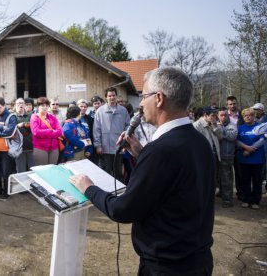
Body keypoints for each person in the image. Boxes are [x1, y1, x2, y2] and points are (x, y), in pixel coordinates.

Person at [70, 67, 215, 274]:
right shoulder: (198, 141)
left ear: (158, 98)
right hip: (196, 259)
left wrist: (89, 188)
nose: (140, 103)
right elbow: (175, 180)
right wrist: (142, 153)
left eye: (143, 95)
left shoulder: (161, 151)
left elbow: (123, 209)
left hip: (166, 266)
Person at [93, 87, 130, 182]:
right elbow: (96, 129)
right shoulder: (100, 111)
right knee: (106, 172)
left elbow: (128, 127)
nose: (112, 97)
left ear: (116, 96)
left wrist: (125, 143)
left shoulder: (123, 111)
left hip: (119, 147)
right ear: (106, 97)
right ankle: (107, 193)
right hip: (105, 148)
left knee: (118, 173)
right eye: (109, 96)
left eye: (113, 95)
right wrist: (98, 145)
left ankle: (120, 193)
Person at [236, 108, 265, 210]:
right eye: (245, 115)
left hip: (257, 159)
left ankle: (255, 201)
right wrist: (245, 147)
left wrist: (250, 150)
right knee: (245, 180)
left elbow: (262, 140)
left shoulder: (260, 127)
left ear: (254, 116)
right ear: (243, 117)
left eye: (250, 115)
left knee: (257, 181)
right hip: (244, 159)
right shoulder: (240, 128)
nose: (248, 117)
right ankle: (246, 199)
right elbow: (236, 141)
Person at [30, 97, 62, 165]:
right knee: (42, 170)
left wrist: (44, 133)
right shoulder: (34, 117)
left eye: (46, 105)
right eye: (42, 105)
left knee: (53, 169)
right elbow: (36, 132)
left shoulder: (52, 117)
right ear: (38, 107)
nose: (45, 107)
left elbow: (59, 132)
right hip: (40, 148)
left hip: (54, 148)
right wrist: (51, 131)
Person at [217, 107, 238, 207]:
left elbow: (232, 136)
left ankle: (228, 200)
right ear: (218, 116)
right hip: (216, 156)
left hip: (227, 156)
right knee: (218, 178)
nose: (223, 117)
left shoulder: (232, 125)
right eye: (221, 115)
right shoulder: (215, 125)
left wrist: (220, 130)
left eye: (225, 115)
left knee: (227, 179)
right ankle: (221, 193)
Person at [13, 98, 34, 173]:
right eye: (18, 103)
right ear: (15, 105)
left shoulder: (31, 116)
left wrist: (24, 124)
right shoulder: (12, 117)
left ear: (25, 105)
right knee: (20, 171)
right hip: (18, 148)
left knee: (32, 170)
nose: (20, 105)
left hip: (30, 147)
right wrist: (18, 126)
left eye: (22, 103)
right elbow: (10, 128)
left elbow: (34, 126)